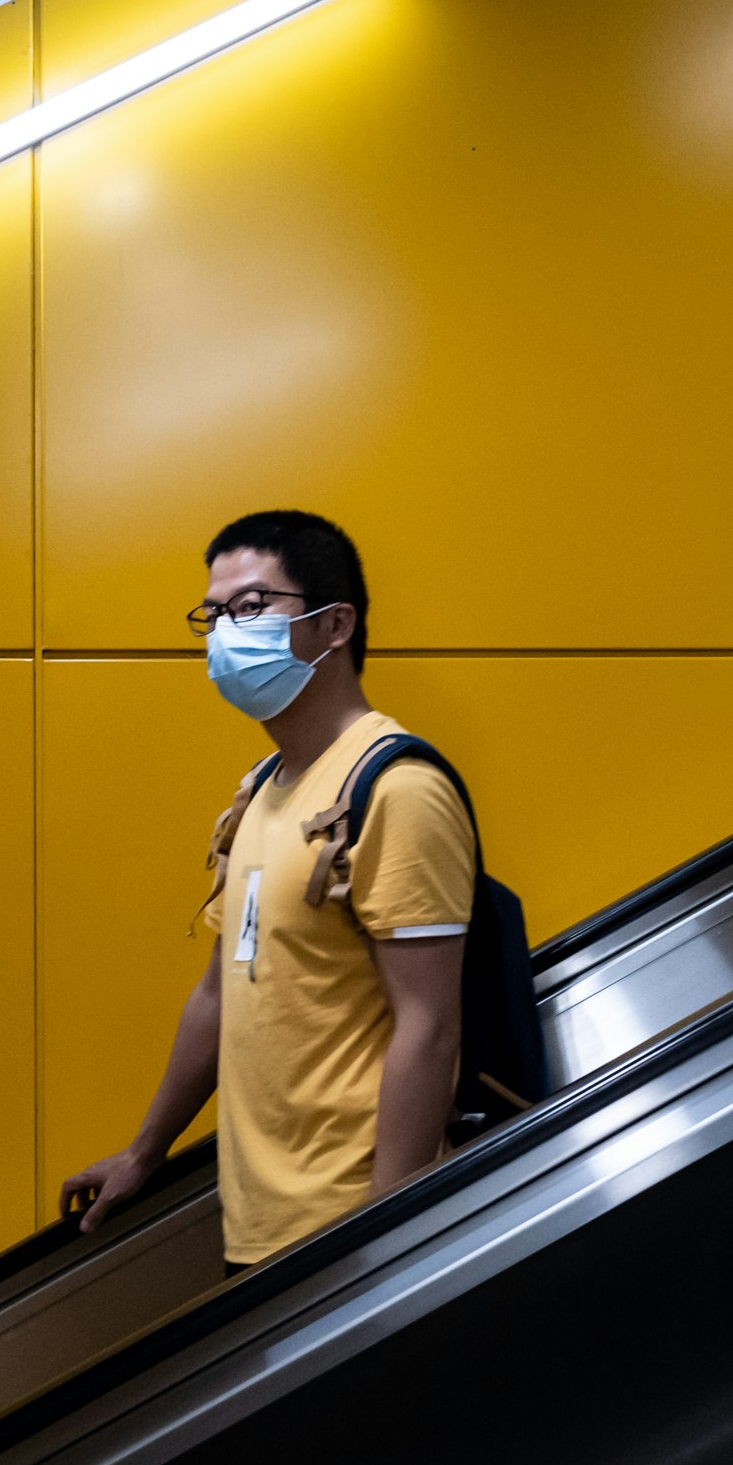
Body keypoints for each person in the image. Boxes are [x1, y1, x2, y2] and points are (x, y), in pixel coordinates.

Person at [60, 508, 475, 1263]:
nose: (225, 632)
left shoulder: (393, 788)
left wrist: (393, 1240)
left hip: (346, 1229)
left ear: (335, 624)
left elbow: (430, 1027)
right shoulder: (262, 790)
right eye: (213, 614)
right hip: (255, 1229)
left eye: (250, 607)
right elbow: (221, 994)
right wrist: (143, 1154)